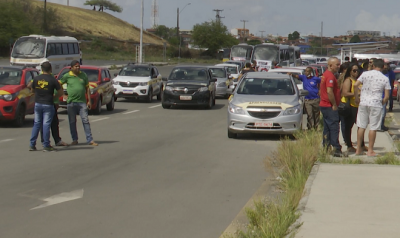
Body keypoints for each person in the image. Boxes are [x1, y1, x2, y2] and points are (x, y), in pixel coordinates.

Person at [354, 59, 391, 156]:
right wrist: (382, 103)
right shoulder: (385, 78)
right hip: (376, 103)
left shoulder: (365, 74)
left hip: (364, 102)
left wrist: (357, 97)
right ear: (383, 67)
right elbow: (387, 96)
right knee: (373, 127)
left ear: (373, 66)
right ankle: (370, 150)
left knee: (361, 126)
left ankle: (358, 149)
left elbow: (356, 85)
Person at [28, 60, 68, 147]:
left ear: (41, 69)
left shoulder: (36, 78)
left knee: (37, 123)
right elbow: (60, 93)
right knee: (46, 124)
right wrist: (54, 96)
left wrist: (39, 93)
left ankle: (32, 144)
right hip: (48, 103)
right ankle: (46, 144)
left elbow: (32, 90)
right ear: (51, 69)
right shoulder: (52, 79)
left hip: (38, 103)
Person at [60, 60, 98, 146]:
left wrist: (89, 101)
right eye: (76, 66)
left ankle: (90, 140)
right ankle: (74, 139)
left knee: (85, 120)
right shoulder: (67, 76)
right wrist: (63, 95)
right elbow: (59, 84)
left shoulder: (83, 75)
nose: (77, 68)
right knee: (72, 122)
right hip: (71, 102)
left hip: (82, 102)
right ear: (72, 67)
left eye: (78, 66)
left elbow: (87, 88)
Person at [340, 63, 366, 152]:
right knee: (348, 126)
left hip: (359, 106)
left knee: (361, 126)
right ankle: (349, 145)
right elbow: (345, 93)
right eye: (354, 70)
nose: (356, 72)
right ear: (350, 71)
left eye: (357, 70)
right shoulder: (348, 80)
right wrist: (357, 94)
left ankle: (361, 145)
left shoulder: (358, 80)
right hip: (351, 106)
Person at [319, 57, 342, 157]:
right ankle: (336, 148)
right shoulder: (330, 76)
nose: (338, 66)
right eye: (337, 64)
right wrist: (334, 104)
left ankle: (326, 146)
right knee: (334, 127)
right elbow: (329, 91)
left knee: (327, 128)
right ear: (330, 65)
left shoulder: (325, 75)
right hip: (329, 106)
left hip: (324, 104)